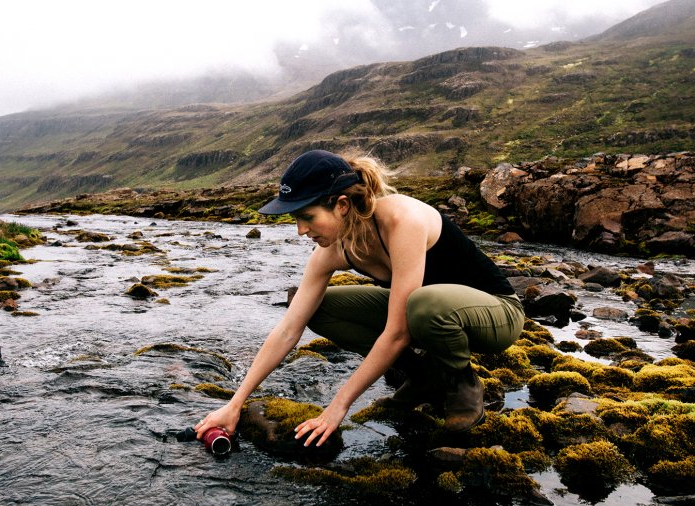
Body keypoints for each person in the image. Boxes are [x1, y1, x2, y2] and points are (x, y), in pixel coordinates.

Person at [194, 149, 525, 447]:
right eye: (295, 219)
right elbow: (288, 330)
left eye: (307, 217)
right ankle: (424, 377)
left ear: (341, 205)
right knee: (313, 308)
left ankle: (461, 383)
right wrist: (234, 403)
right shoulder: (332, 251)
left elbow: (397, 332)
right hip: (430, 316)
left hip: (496, 314)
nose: (300, 231)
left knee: (422, 305)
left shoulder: (401, 222)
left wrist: (337, 408)